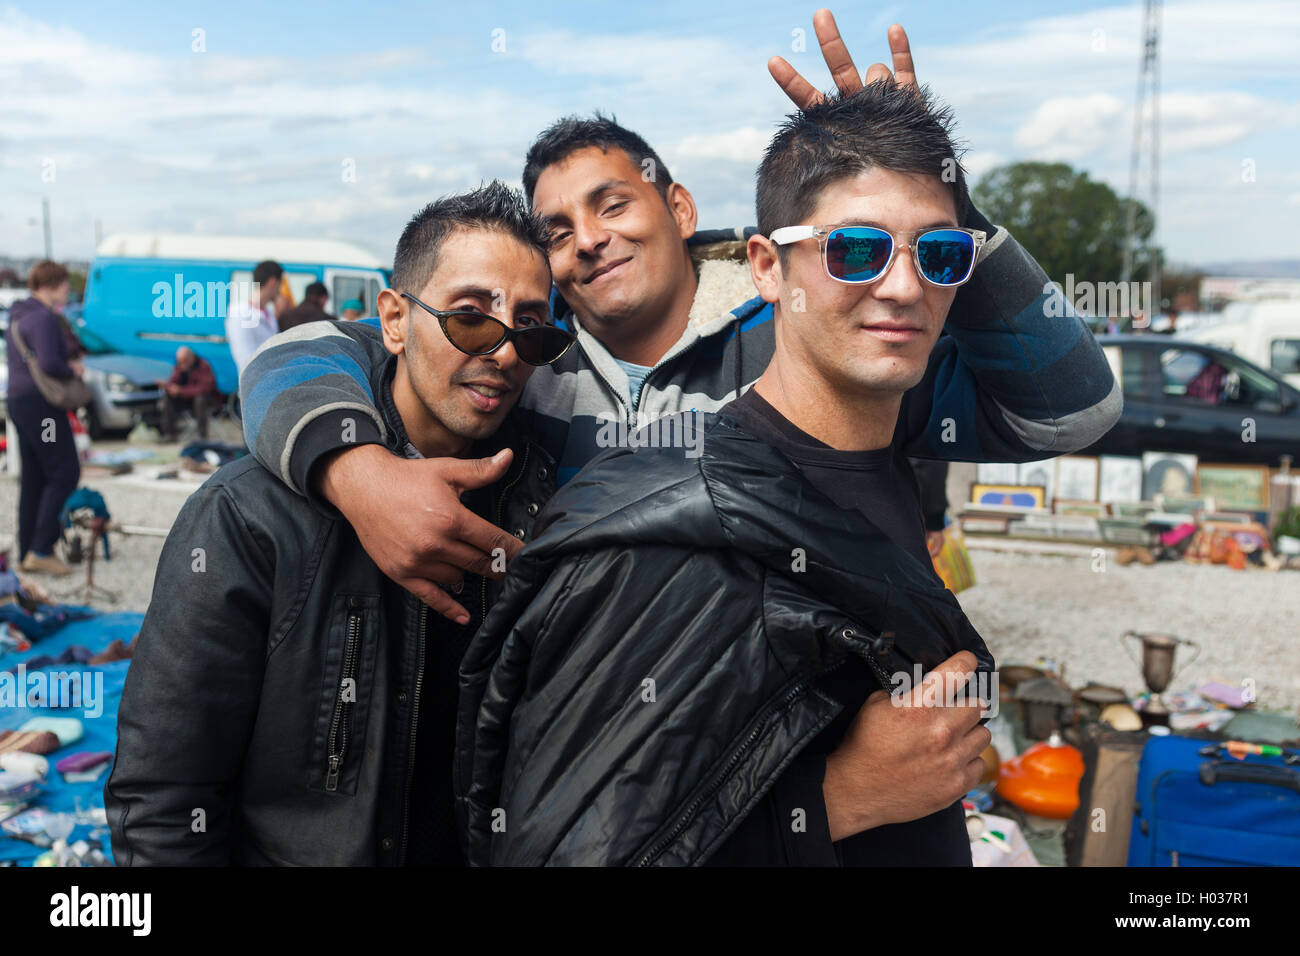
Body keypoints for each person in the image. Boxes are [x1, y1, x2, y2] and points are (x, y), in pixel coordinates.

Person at [236, 16, 1122, 630]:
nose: (587, 241)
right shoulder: (528, 357)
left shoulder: (817, 336)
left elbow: (1072, 412)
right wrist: (356, 474)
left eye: (611, 203)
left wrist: (935, 199)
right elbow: (297, 350)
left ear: (681, 206)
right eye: (557, 230)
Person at [457, 83, 1018, 866]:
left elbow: (1080, 404)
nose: (902, 285)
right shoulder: (668, 531)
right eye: (855, 248)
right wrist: (835, 800)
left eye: (940, 253)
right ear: (765, 266)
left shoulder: (881, 455)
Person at [105, 182, 572, 866]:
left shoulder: (538, 502)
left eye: (530, 327)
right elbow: (164, 801)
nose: (505, 350)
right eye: (470, 316)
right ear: (392, 319)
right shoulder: (250, 517)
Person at [4, 261, 83, 576]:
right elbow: (50, 363)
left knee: (35, 478)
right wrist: (73, 370)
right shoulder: (45, 318)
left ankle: (28, 552)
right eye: (64, 283)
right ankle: (41, 548)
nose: (67, 290)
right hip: (42, 409)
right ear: (51, 283)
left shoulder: (18, 316)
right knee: (64, 472)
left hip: (19, 402)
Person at [224, 259, 282, 375]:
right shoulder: (241, 315)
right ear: (272, 282)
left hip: (270, 382)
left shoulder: (268, 314)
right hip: (255, 385)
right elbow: (245, 359)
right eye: (280, 285)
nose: (280, 291)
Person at [157, 346, 221, 440]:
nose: (182, 364)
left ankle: (202, 436)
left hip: (208, 401)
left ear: (192, 357)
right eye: (180, 361)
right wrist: (168, 387)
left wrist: (181, 391)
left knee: (200, 399)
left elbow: (205, 388)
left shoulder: (203, 365)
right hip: (188, 401)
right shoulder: (180, 366)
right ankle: (169, 434)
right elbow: (174, 381)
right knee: (168, 398)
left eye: (184, 360)